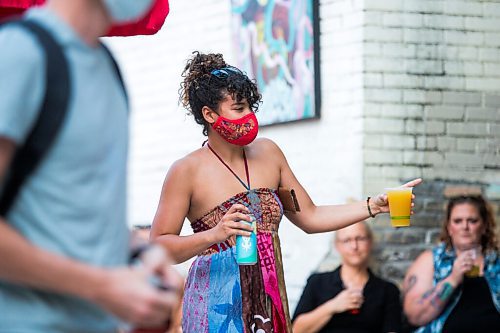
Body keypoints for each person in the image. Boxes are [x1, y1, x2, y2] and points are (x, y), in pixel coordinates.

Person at [150, 51, 422, 333]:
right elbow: (158, 246)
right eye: (239, 108)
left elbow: (311, 217)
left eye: (251, 107)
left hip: (268, 301)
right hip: (217, 308)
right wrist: (214, 234)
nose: (249, 116)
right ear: (209, 114)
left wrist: (373, 206)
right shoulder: (186, 170)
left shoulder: (269, 153)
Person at [0, 1, 181, 332]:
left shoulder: (107, 68)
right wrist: (101, 286)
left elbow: (73, 212)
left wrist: (140, 253)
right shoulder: (19, 53)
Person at [403, 195, 500, 333]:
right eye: (457, 221)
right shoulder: (431, 260)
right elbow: (415, 317)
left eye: (472, 221)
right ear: (449, 227)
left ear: (484, 226)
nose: (465, 227)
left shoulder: (496, 263)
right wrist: (453, 278)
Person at [292, 222, 402, 333]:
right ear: (337, 245)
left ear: (370, 241)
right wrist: (333, 306)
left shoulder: (388, 290)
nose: (354, 246)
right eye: (347, 240)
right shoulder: (317, 282)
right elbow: (295, 330)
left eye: (360, 238)